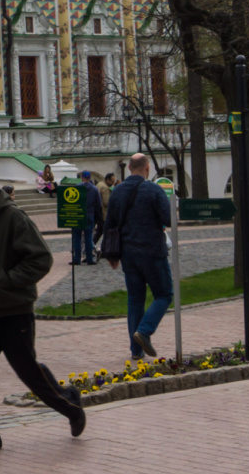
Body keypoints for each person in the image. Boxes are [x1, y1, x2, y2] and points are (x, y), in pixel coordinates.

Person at [0, 153, 85, 451]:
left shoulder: (14, 217)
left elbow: (41, 260)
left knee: (30, 376)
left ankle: (71, 405)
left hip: (14, 313)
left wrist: (4, 280)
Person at [104, 153, 173, 360]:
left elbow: (109, 224)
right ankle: (144, 331)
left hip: (128, 254)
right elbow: (167, 219)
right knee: (164, 294)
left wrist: (111, 255)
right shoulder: (154, 190)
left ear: (130, 168)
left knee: (135, 300)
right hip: (153, 252)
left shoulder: (117, 192)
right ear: (147, 168)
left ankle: (136, 351)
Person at [71, 169, 104, 266]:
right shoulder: (94, 189)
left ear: (82, 178)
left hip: (78, 215)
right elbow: (98, 205)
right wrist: (99, 219)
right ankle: (89, 259)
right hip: (89, 215)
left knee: (77, 238)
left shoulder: (77, 188)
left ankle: (77, 259)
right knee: (89, 238)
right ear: (90, 178)